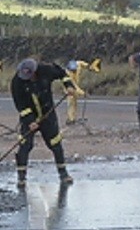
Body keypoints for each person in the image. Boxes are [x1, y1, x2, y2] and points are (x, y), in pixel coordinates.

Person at [11, 58, 76, 188]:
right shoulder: (17, 82)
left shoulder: (47, 69)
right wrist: (30, 121)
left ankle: (63, 174)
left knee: (55, 143)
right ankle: (21, 178)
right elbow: (20, 105)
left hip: (47, 114)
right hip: (29, 116)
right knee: (25, 145)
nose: (28, 79)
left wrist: (69, 86)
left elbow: (62, 74)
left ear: (35, 71)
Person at [65, 59, 90, 125]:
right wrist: (83, 93)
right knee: (71, 103)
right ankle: (71, 119)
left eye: (75, 70)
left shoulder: (78, 64)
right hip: (69, 88)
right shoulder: (68, 74)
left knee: (75, 103)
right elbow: (74, 86)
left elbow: (82, 63)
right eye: (73, 71)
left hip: (76, 85)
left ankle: (74, 118)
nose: (74, 72)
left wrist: (88, 66)